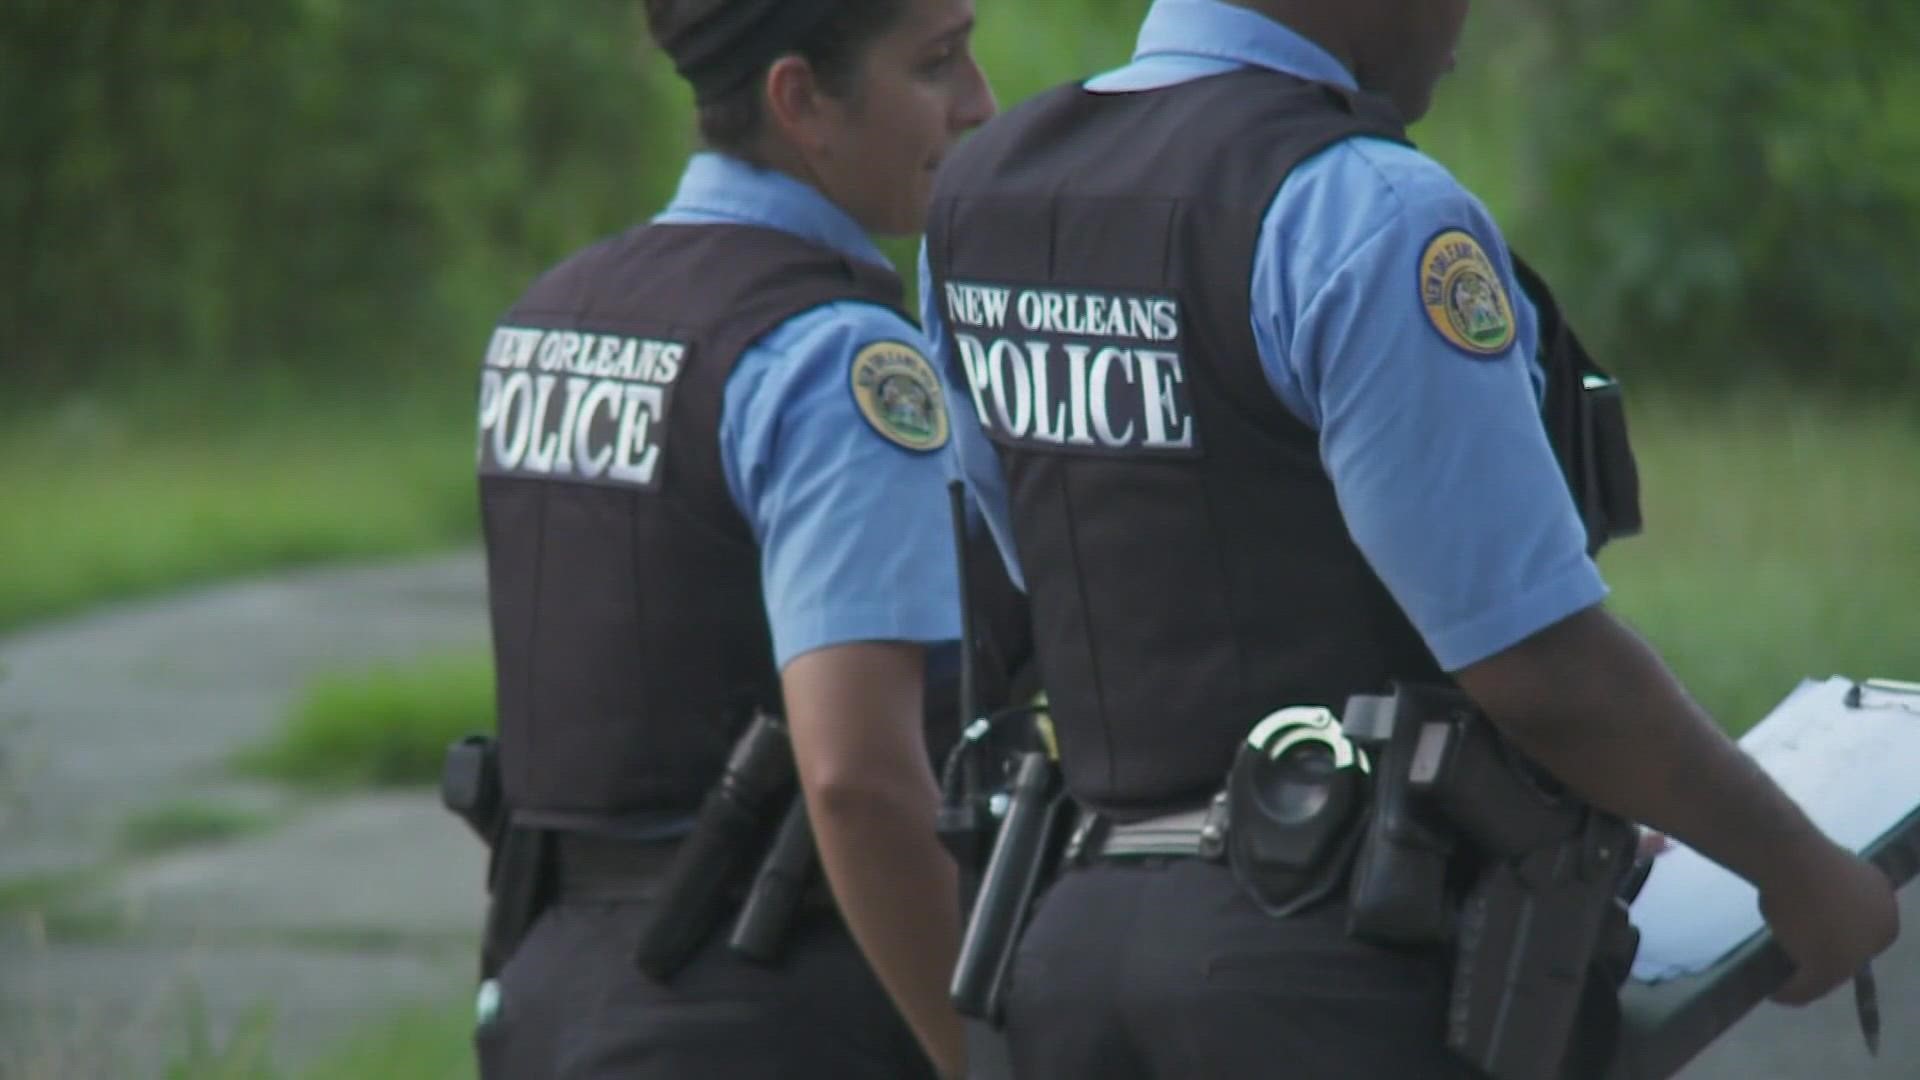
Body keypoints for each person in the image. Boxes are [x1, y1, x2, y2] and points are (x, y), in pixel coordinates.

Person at [919, 0, 1898, 1076]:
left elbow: (1044, 571)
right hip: (1339, 974)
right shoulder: (1367, 209)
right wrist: (1799, 872)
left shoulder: (982, 196)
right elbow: (1538, 664)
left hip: (1076, 959)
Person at [466, 1, 998, 1076]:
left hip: (549, 991)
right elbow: (856, 777)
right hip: (771, 1005)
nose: (979, 104)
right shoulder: (833, 359)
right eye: (937, 64)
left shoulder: (549, 316)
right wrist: (976, 1053)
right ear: (800, 101)